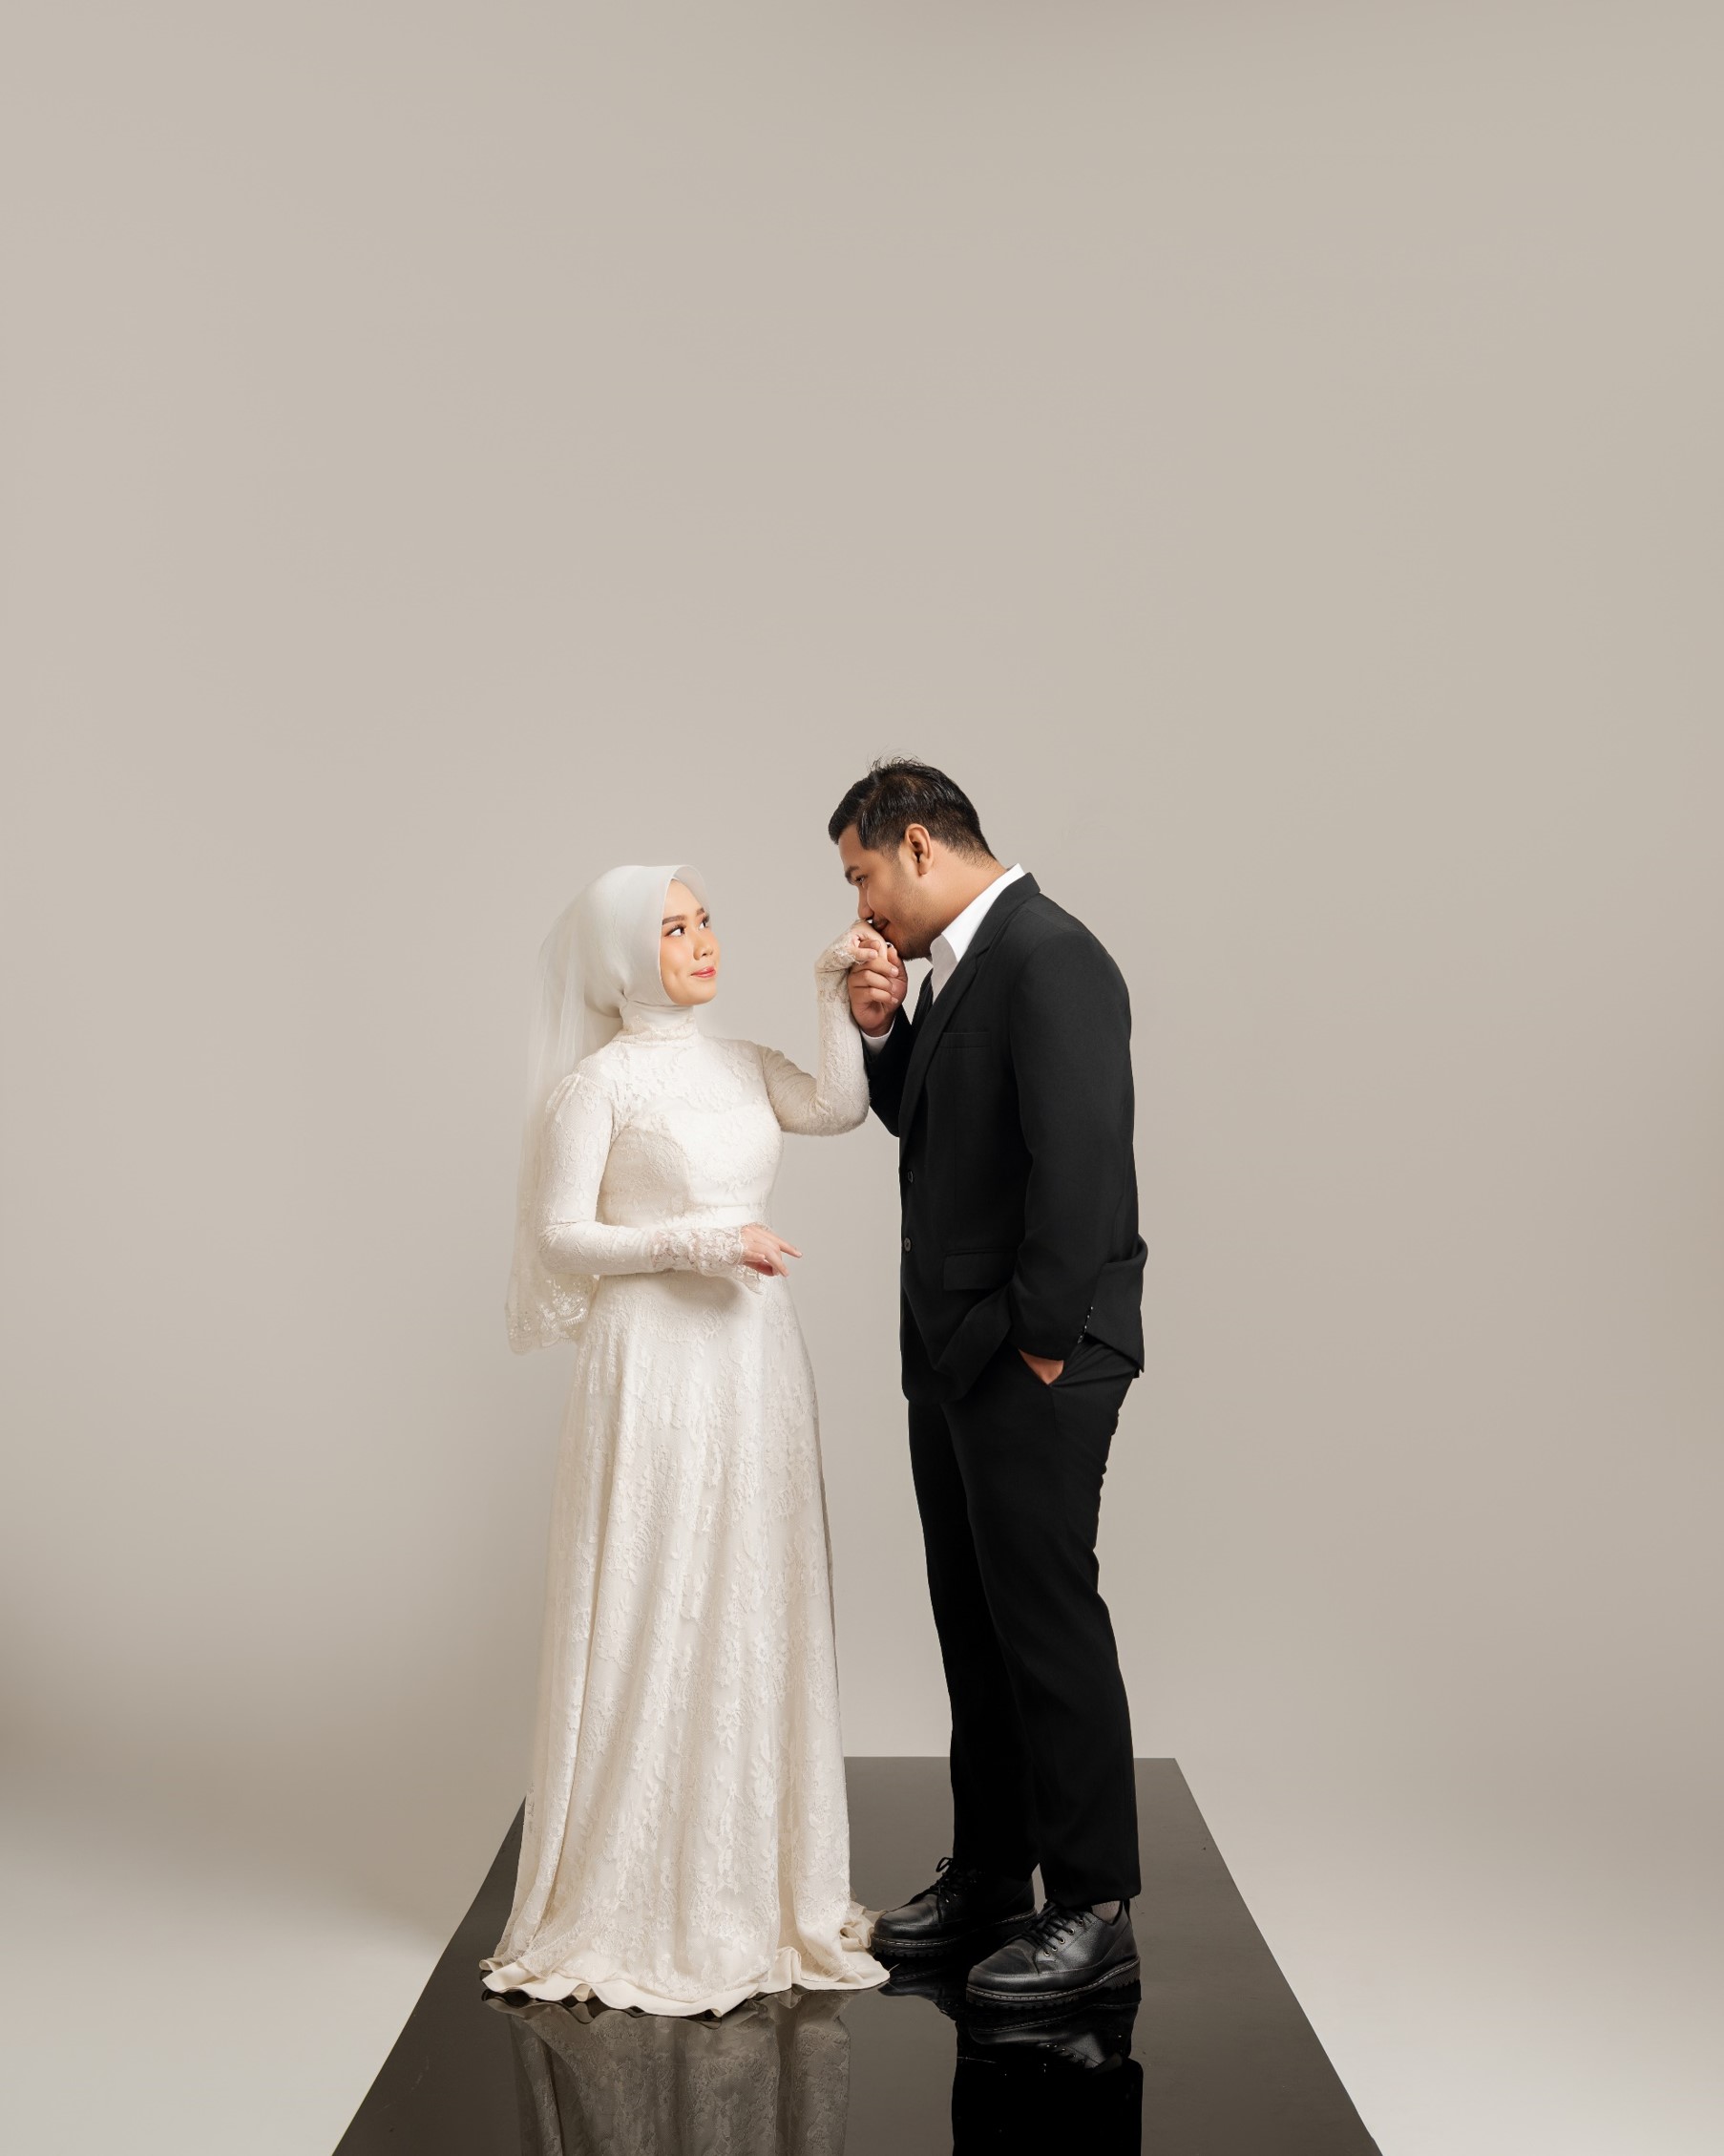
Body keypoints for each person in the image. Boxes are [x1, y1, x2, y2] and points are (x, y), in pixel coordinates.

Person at [485, 863, 889, 2017]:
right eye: (673, 927)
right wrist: (701, 1241)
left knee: (755, 1585)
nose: (702, 939)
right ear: (624, 957)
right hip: (655, 1364)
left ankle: (757, 1880)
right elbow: (561, 1234)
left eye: (704, 919)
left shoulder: (742, 1060)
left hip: (752, 1359)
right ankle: (634, 1888)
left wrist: (831, 995)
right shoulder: (596, 1087)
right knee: (659, 1585)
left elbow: (837, 1106)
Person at [830, 761, 1148, 2007]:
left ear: (918, 844)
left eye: (862, 874)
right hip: (957, 1352)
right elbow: (944, 1132)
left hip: (1029, 1350)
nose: (861, 906)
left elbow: (1082, 1162)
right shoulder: (960, 966)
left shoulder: (1050, 955)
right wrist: (884, 1035)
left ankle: (1092, 1907)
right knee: (974, 1620)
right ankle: (990, 1875)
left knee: (1044, 1623)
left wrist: (1039, 1341)